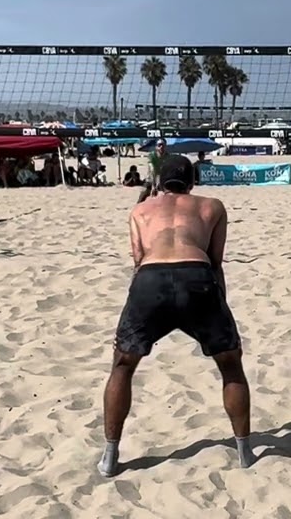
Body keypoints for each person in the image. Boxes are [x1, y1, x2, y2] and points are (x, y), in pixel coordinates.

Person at [99, 154, 251, 477]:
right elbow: (216, 262)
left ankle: (110, 456)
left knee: (123, 365)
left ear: (159, 182)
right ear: (192, 182)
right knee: (230, 363)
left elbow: (138, 260)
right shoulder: (212, 206)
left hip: (150, 281)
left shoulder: (139, 210)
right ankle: (245, 452)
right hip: (197, 276)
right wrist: (219, 303)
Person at [137, 138, 167, 203]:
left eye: (163, 145)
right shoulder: (152, 155)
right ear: (156, 147)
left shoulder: (167, 156)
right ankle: (138, 206)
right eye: (159, 145)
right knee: (144, 192)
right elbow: (152, 170)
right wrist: (153, 185)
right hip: (151, 178)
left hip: (162, 179)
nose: (161, 147)